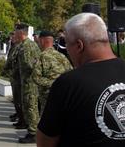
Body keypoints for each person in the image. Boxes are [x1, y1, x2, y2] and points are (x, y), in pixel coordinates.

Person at [37, 13, 125, 147]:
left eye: (67, 45)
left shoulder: (68, 83)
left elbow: (45, 141)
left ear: (79, 46)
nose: (67, 50)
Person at [32, 31, 72, 115]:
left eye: (39, 41)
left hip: (47, 98)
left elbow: (35, 78)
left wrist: (53, 82)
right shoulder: (62, 56)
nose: (38, 43)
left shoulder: (41, 56)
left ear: (42, 41)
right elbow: (71, 74)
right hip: (63, 95)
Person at [15, 23, 41, 144]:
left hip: (29, 82)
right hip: (29, 81)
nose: (14, 34)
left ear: (21, 33)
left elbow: (30, 65)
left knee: (30, 107)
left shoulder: (26, 47)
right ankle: (32, 130)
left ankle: (33, 134)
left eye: (16, 32)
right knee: (31, 107)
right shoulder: (31, 44)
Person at [3, 31, 24, 125]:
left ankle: (22, 119)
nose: (12, 38)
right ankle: (19, 116)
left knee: (19, 99)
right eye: (12, 36)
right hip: (14, 76)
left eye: (13, 36)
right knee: (17, 99)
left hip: (18, 77)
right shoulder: (14, 46)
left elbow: (12, 59)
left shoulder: (19, 47)